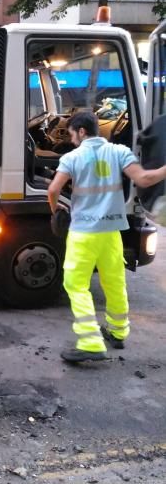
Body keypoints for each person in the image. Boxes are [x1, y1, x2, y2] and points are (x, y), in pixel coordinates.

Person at [47, 111, 166, 363]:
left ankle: (90, 342)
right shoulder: (119, 152)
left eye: (71, 134)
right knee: (114, 283)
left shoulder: (72, 157)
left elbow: (53, 189)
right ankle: (117, 331)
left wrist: (55, 210)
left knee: (76, 285)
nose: (70, 140)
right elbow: (145, 178)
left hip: (83, 234)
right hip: (112, 232)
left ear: (81, 131)